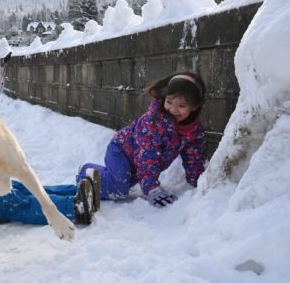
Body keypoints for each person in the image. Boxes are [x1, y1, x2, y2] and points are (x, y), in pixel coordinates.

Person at [76, 72, 206, 208]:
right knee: (119, 189)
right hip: (121, 151)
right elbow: (147, 156)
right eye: (169, 102)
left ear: (195, 106)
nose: (173, 109)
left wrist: (198, 182)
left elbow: (193, 158)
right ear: (164, 98)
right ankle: (85, 172)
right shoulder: (153, 123)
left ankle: (101, 176)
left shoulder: (193, 132)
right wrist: (151, 188)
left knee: (123, 183)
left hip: (137, 164)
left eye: (182, 106)